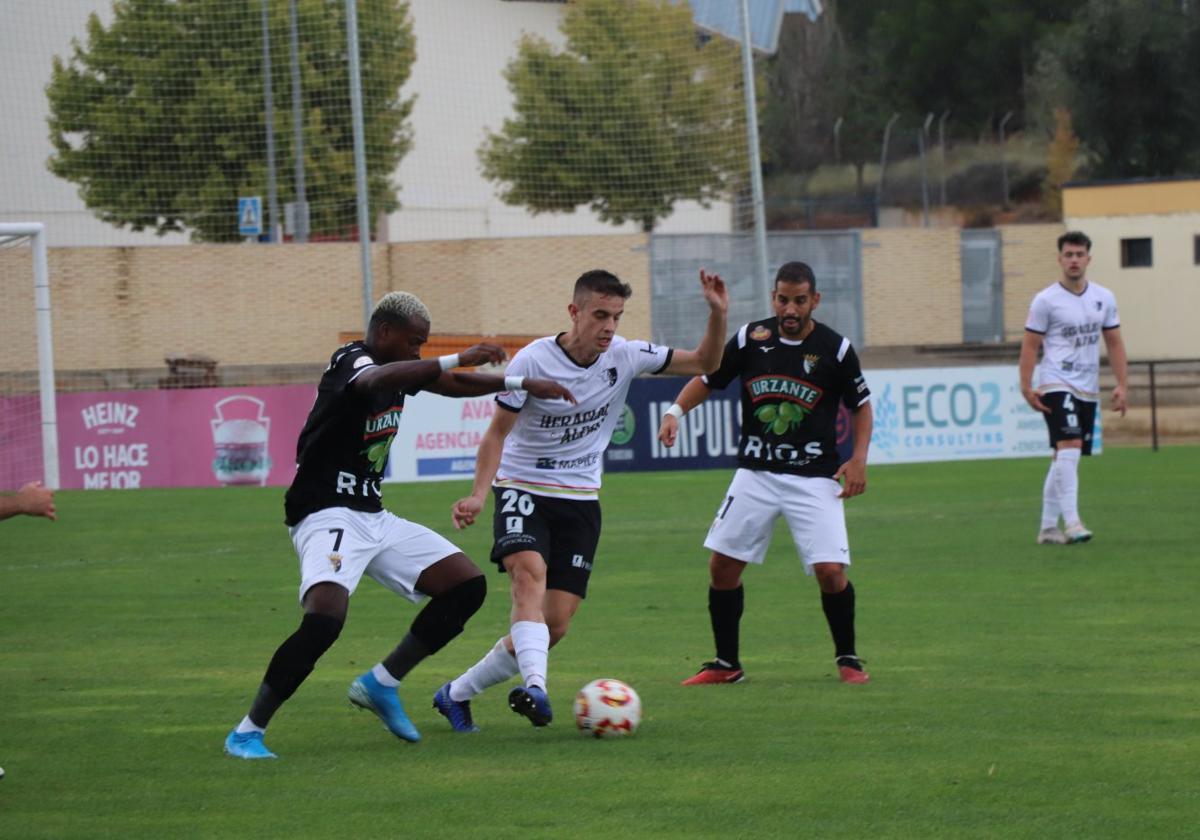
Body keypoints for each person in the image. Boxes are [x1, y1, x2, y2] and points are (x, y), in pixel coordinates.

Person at [223, 291, 575, 759]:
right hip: (326, 512)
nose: (417, 353)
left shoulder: (402, 372)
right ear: (384, 333)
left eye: (423, 346)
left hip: (373, 515)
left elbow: (450, 383)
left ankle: (381, 683)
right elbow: (377, 381)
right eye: (414, 343)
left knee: (466, 586)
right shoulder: (352, 359)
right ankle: (247, 732)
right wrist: (452, 355)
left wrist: (519, 381)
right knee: (325, 619)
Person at [435, 268, 728, 732]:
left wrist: (717, 313)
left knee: (553, 625)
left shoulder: (628, 355)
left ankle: (454, 694)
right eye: (600, 315)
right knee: (527, 576)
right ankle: (536, 689)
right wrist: (477, 494)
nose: (609, 326)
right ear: (574, 312)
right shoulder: (532, 361)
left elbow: (706, 364)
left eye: (616, 316)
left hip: (581, 498)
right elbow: (496, 435)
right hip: (522, 488)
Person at [658, 261, 873, 686]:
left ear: (815, 300)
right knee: (722, 567)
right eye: (782, 299)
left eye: (798, 300)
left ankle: (848, 658)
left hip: (815, 476)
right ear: (773, 297)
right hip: (756, 474)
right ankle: (726, 664)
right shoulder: (750, 338)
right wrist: (674, 410)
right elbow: (708, 378)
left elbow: (861, 406)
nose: (789, 309)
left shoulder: (837, 349)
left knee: (831, 571)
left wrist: (860, 457)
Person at [1019, 230, 1128, 545]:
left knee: (1062, 455)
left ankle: (1047, 528)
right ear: (1060, 259)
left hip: (1088, 387)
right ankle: (1073, 522)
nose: (1074, 260)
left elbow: (1115, 342)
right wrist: (1027, 387)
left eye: (1080, 255)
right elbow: (1029, 347)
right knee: (1070, 446)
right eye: (1068, 255)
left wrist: (1122, 384)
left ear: (1088, 259)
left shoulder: (1103, 298)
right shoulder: (1045, 300)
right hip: (1056, 382)